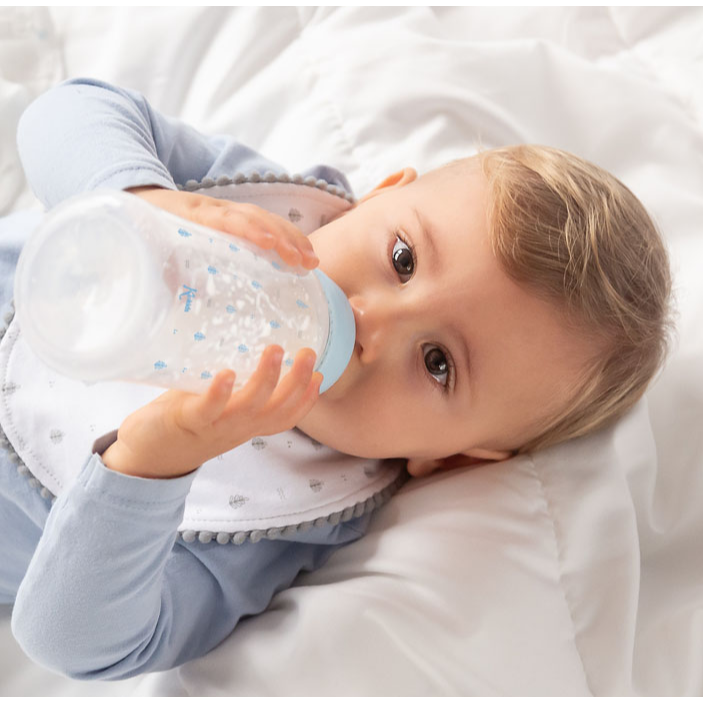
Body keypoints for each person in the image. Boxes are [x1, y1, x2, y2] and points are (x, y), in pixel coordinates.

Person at [1, 78, 672, 679]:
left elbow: (68, 640)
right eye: (403, 259)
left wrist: (150, 464)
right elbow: (61, 112)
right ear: (377, 197)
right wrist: (141, 200)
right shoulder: (256, 211)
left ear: (452, 458)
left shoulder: (277, 526)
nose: (368, 318)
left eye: (437, 362)